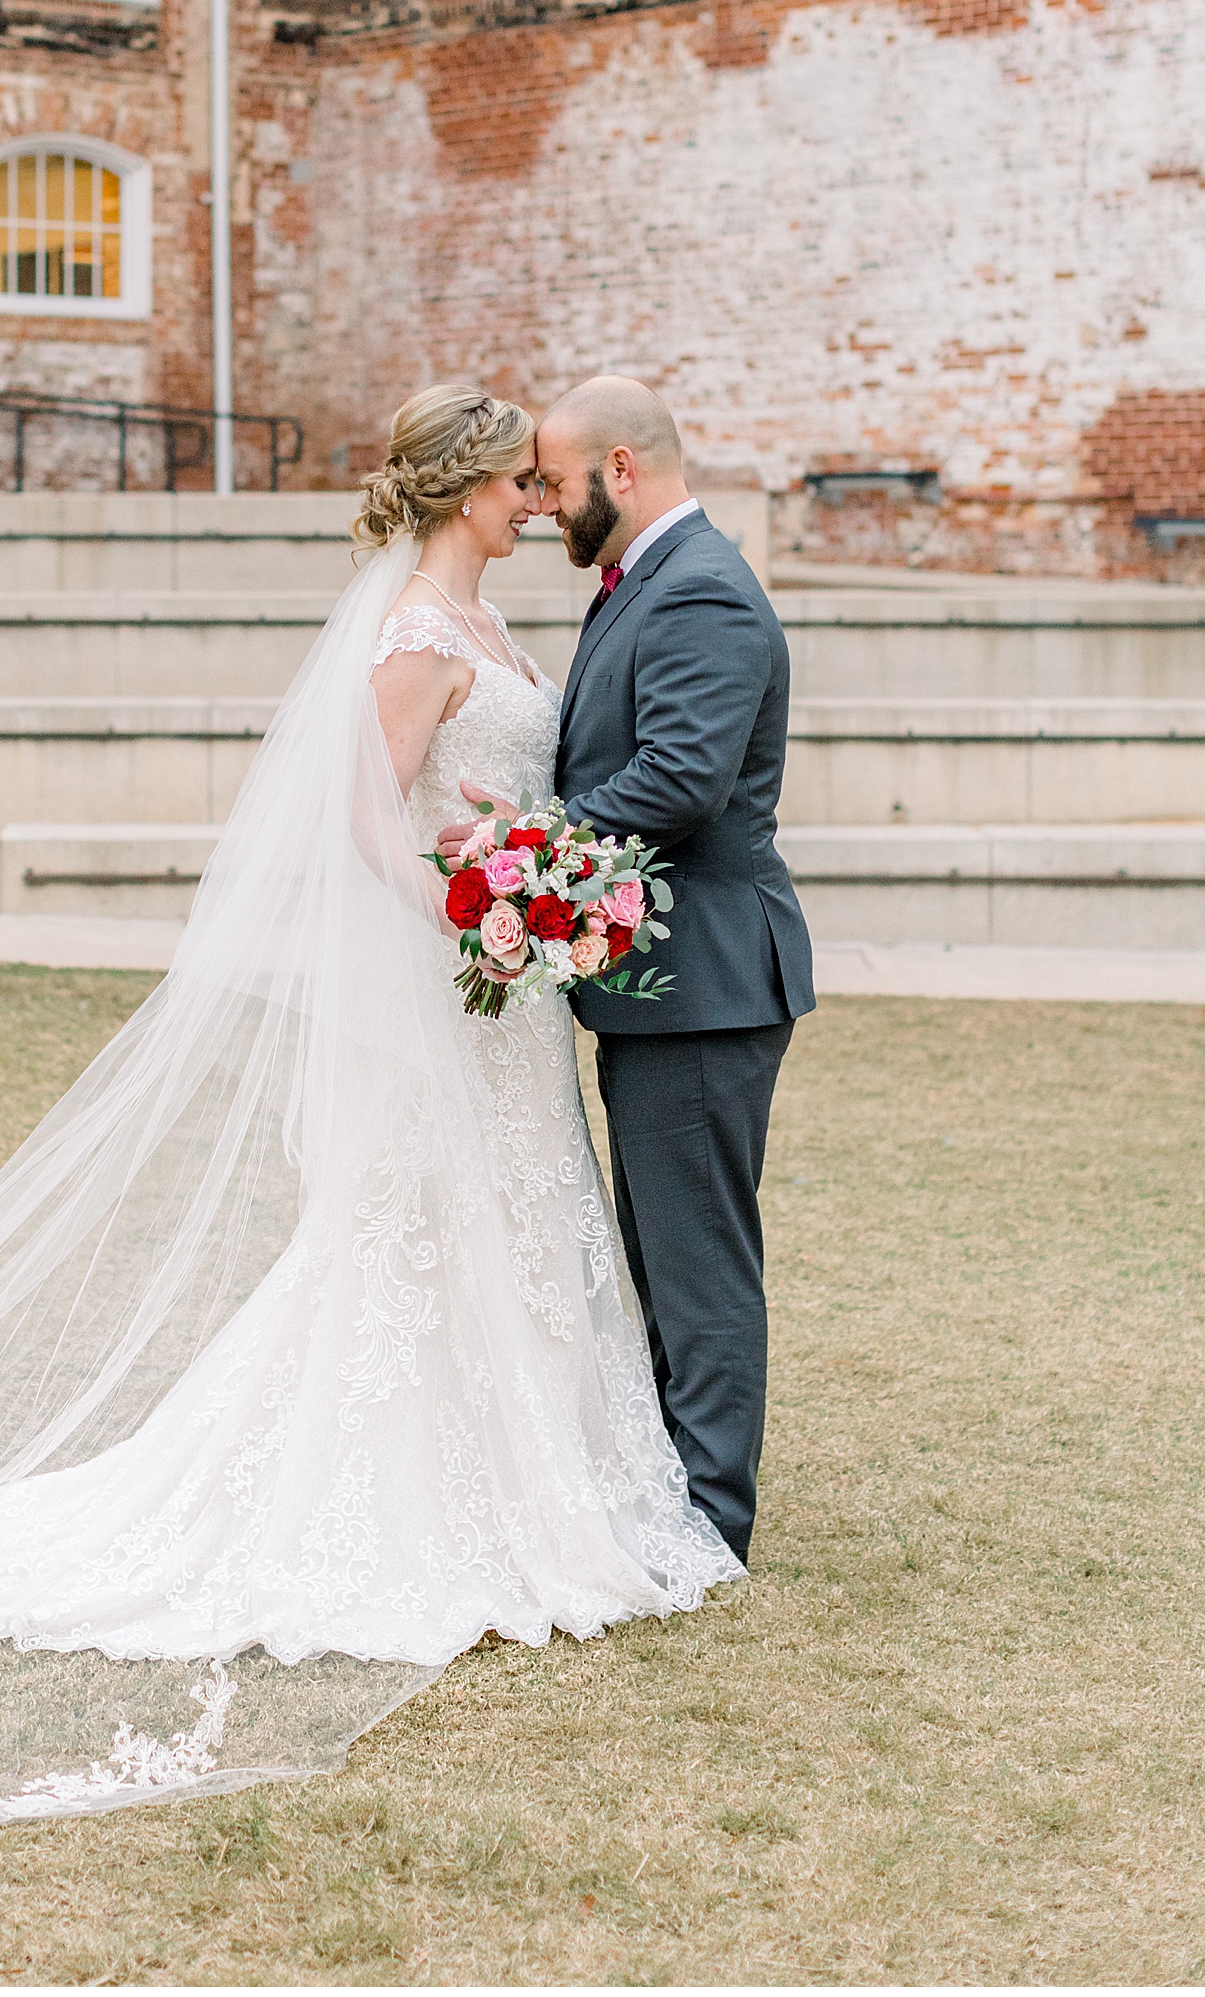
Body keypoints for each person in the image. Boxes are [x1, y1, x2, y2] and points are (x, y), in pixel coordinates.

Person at [0, 385, 739, 1853]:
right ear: (459, 494)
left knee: (512, 1215)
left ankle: (543, 1476)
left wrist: (509, 883)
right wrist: (472, 905)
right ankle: (407, 1502)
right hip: (457, 977)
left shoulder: (497, 630)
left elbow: (496, 796)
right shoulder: (417, 641)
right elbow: (363, 818)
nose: (536, 499)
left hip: (495, 1001)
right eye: (517, 480)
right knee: (415, 1231)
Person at [442, 376, 814, 1566]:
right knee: (661, 1242)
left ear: (618, 467)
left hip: (706, 980)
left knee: (697, 1256)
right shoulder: (644, 580)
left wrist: (522, 841)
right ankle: (673, 1489)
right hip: (665, 981)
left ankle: (710, 1522)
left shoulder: (700, 590)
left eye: (553, 478)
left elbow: (681, 781)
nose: (543, 502)